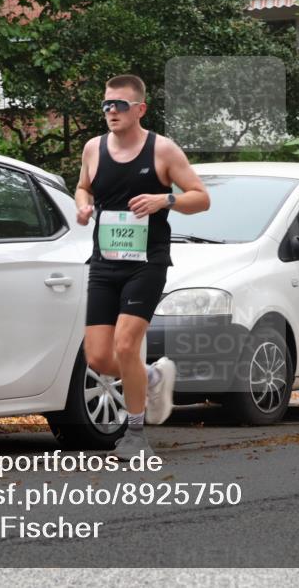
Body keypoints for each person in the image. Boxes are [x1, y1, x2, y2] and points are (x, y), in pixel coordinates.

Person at [76, 74, 210, 458]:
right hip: (105, 261)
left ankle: (135, 436)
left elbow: (201, 198)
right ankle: (152, 375)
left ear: (140, 109)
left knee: (126, 344)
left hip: (146, 263)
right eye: (106, 104)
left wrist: (164, 200)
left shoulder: (162, 150)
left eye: (120, 104)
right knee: (98, 358)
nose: (111, 111)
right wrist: (83, 206)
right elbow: (83, 186)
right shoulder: (93, 148)